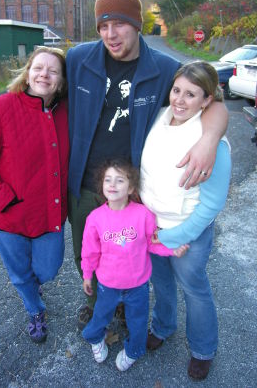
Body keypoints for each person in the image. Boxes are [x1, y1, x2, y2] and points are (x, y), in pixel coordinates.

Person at [66, 0, 229, 331]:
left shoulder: (166, 69)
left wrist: (211, 137)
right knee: (87, 249)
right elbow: (43, 86)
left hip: (132, 188)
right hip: (84, 181)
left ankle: (123, 305)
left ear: (137, 25)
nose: (111, 34)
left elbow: (211, 100)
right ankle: (96, 301)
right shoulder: (78, 60)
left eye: (120, 24)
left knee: (126, 252)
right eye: (103, 26)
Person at [0, 46, 69, 343]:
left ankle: (34, 287)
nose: (44, 74)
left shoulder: (67, 113)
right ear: (27, 73)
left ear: (61, 81)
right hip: (7, 217)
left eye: (52, 70)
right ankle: (35, 309)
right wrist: (5, 200)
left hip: (49, 214)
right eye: (38, 67)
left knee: (47, 270)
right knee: (21, 274)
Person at [140, 61, 232, 380]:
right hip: (153, 228)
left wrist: (174, 237)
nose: (179, 100)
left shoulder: (211, 140)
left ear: (207, 101)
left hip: (187, 234)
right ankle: (163, 326)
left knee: (194, 289)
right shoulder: (159, 117)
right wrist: (151, 229)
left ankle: (203, 349)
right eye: (176, 90)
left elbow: (212, 204)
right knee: (161, 283)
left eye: (190, 95)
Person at [81, 158, 189, 371]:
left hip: (137, 286)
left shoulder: (143, 215)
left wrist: (172, 250)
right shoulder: (95, 218)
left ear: (130, 187)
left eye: (119, 180)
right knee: (101, 315)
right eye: (108, 180)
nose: (112, 185)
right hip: (108, 285)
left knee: (138, 322)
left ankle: (133, 351)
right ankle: (95, 338)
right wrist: (87, 274)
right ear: (102, 186)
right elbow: (90, 250)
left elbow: (152, 243)